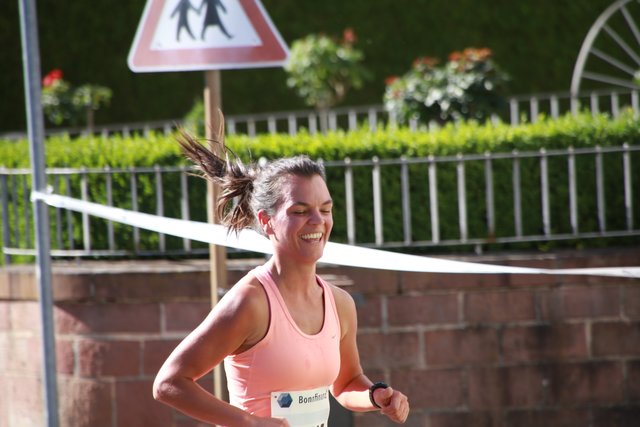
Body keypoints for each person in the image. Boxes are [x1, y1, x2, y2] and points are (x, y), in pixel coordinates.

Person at [152, 130, 410, 426]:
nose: (318, 221)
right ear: (266, 221)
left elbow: (346, 383)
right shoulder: (250, 301)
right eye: (300, 211)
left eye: (325, 209)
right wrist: (250, 423)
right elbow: (169, 383)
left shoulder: (340, 304)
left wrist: (377, 397)